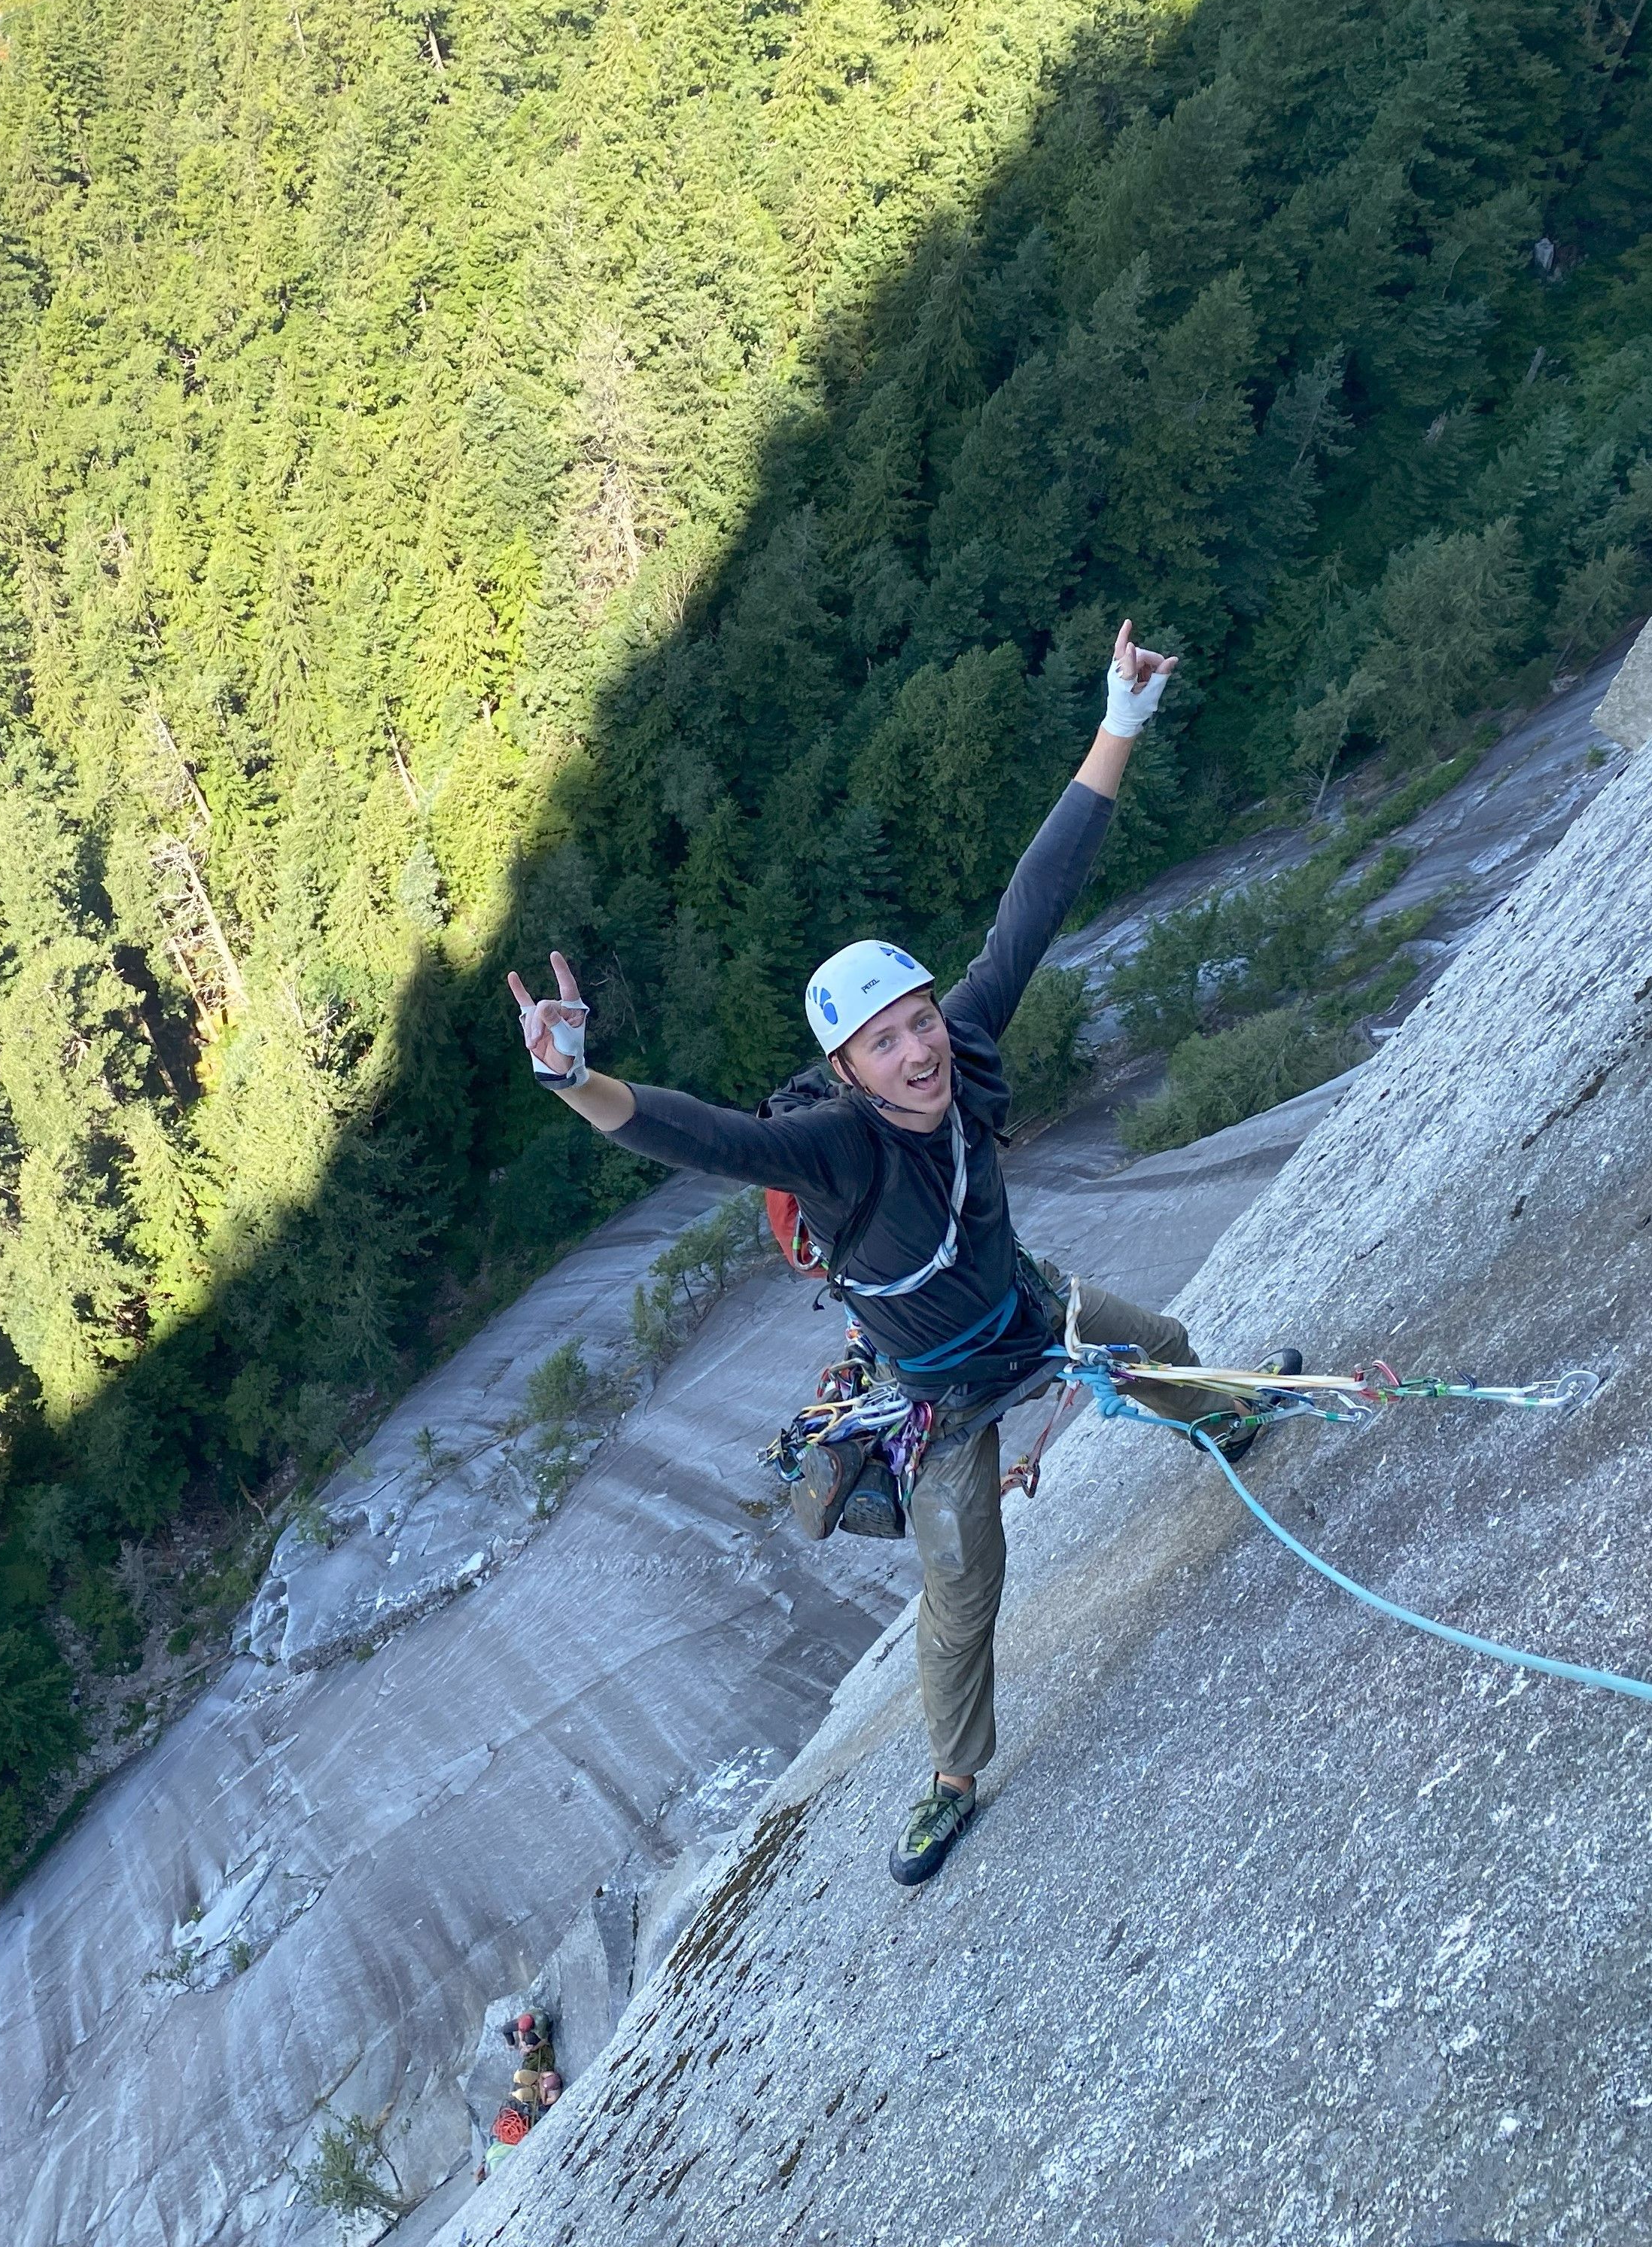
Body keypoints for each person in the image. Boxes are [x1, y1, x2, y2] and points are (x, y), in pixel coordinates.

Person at [506, 623, 1296, 1888]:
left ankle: (1223, 1420)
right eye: (886, 1046)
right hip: (937, 1391)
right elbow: (691, 1135)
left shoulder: (968, 1039)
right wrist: (575, 1080)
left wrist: (1120, 723)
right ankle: (949, 1781)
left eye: (922, 1023)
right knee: (961, 1590)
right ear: (845, 1075)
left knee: (1166, 1349)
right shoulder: (833, 1153)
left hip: (1029, 1313)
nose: (921, 1053)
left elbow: (1036, 900)